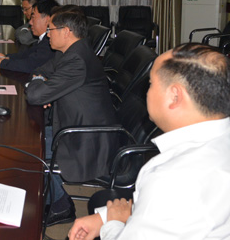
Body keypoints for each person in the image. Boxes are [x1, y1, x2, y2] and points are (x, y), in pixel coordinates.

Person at [69, 43, 230, 240]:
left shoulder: (172, 181)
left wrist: (112, 223)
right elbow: (165, 214)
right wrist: (103, 218)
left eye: (151, 84)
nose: (147, 91)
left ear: (175, 96)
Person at [25, 7, 117, 225]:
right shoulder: (69, 52)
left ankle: (60, 205)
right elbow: (40, 71)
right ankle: (51, 199)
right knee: (28, 139)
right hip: (72, 125)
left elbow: (35, 94)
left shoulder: (77, 60)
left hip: (87, 140)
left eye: (51, 30)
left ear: (66, 32)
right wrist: (44, 84)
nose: (47, 35)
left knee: (29, 151)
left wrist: (44, 88)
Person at [0, 0, 58, 72]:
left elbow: (30, 65)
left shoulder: (50, 42)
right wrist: (6, 57)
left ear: (47, 20)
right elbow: (26, 55)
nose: (30, 22)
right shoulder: (43, 39)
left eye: (33, 17)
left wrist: (1, 63)